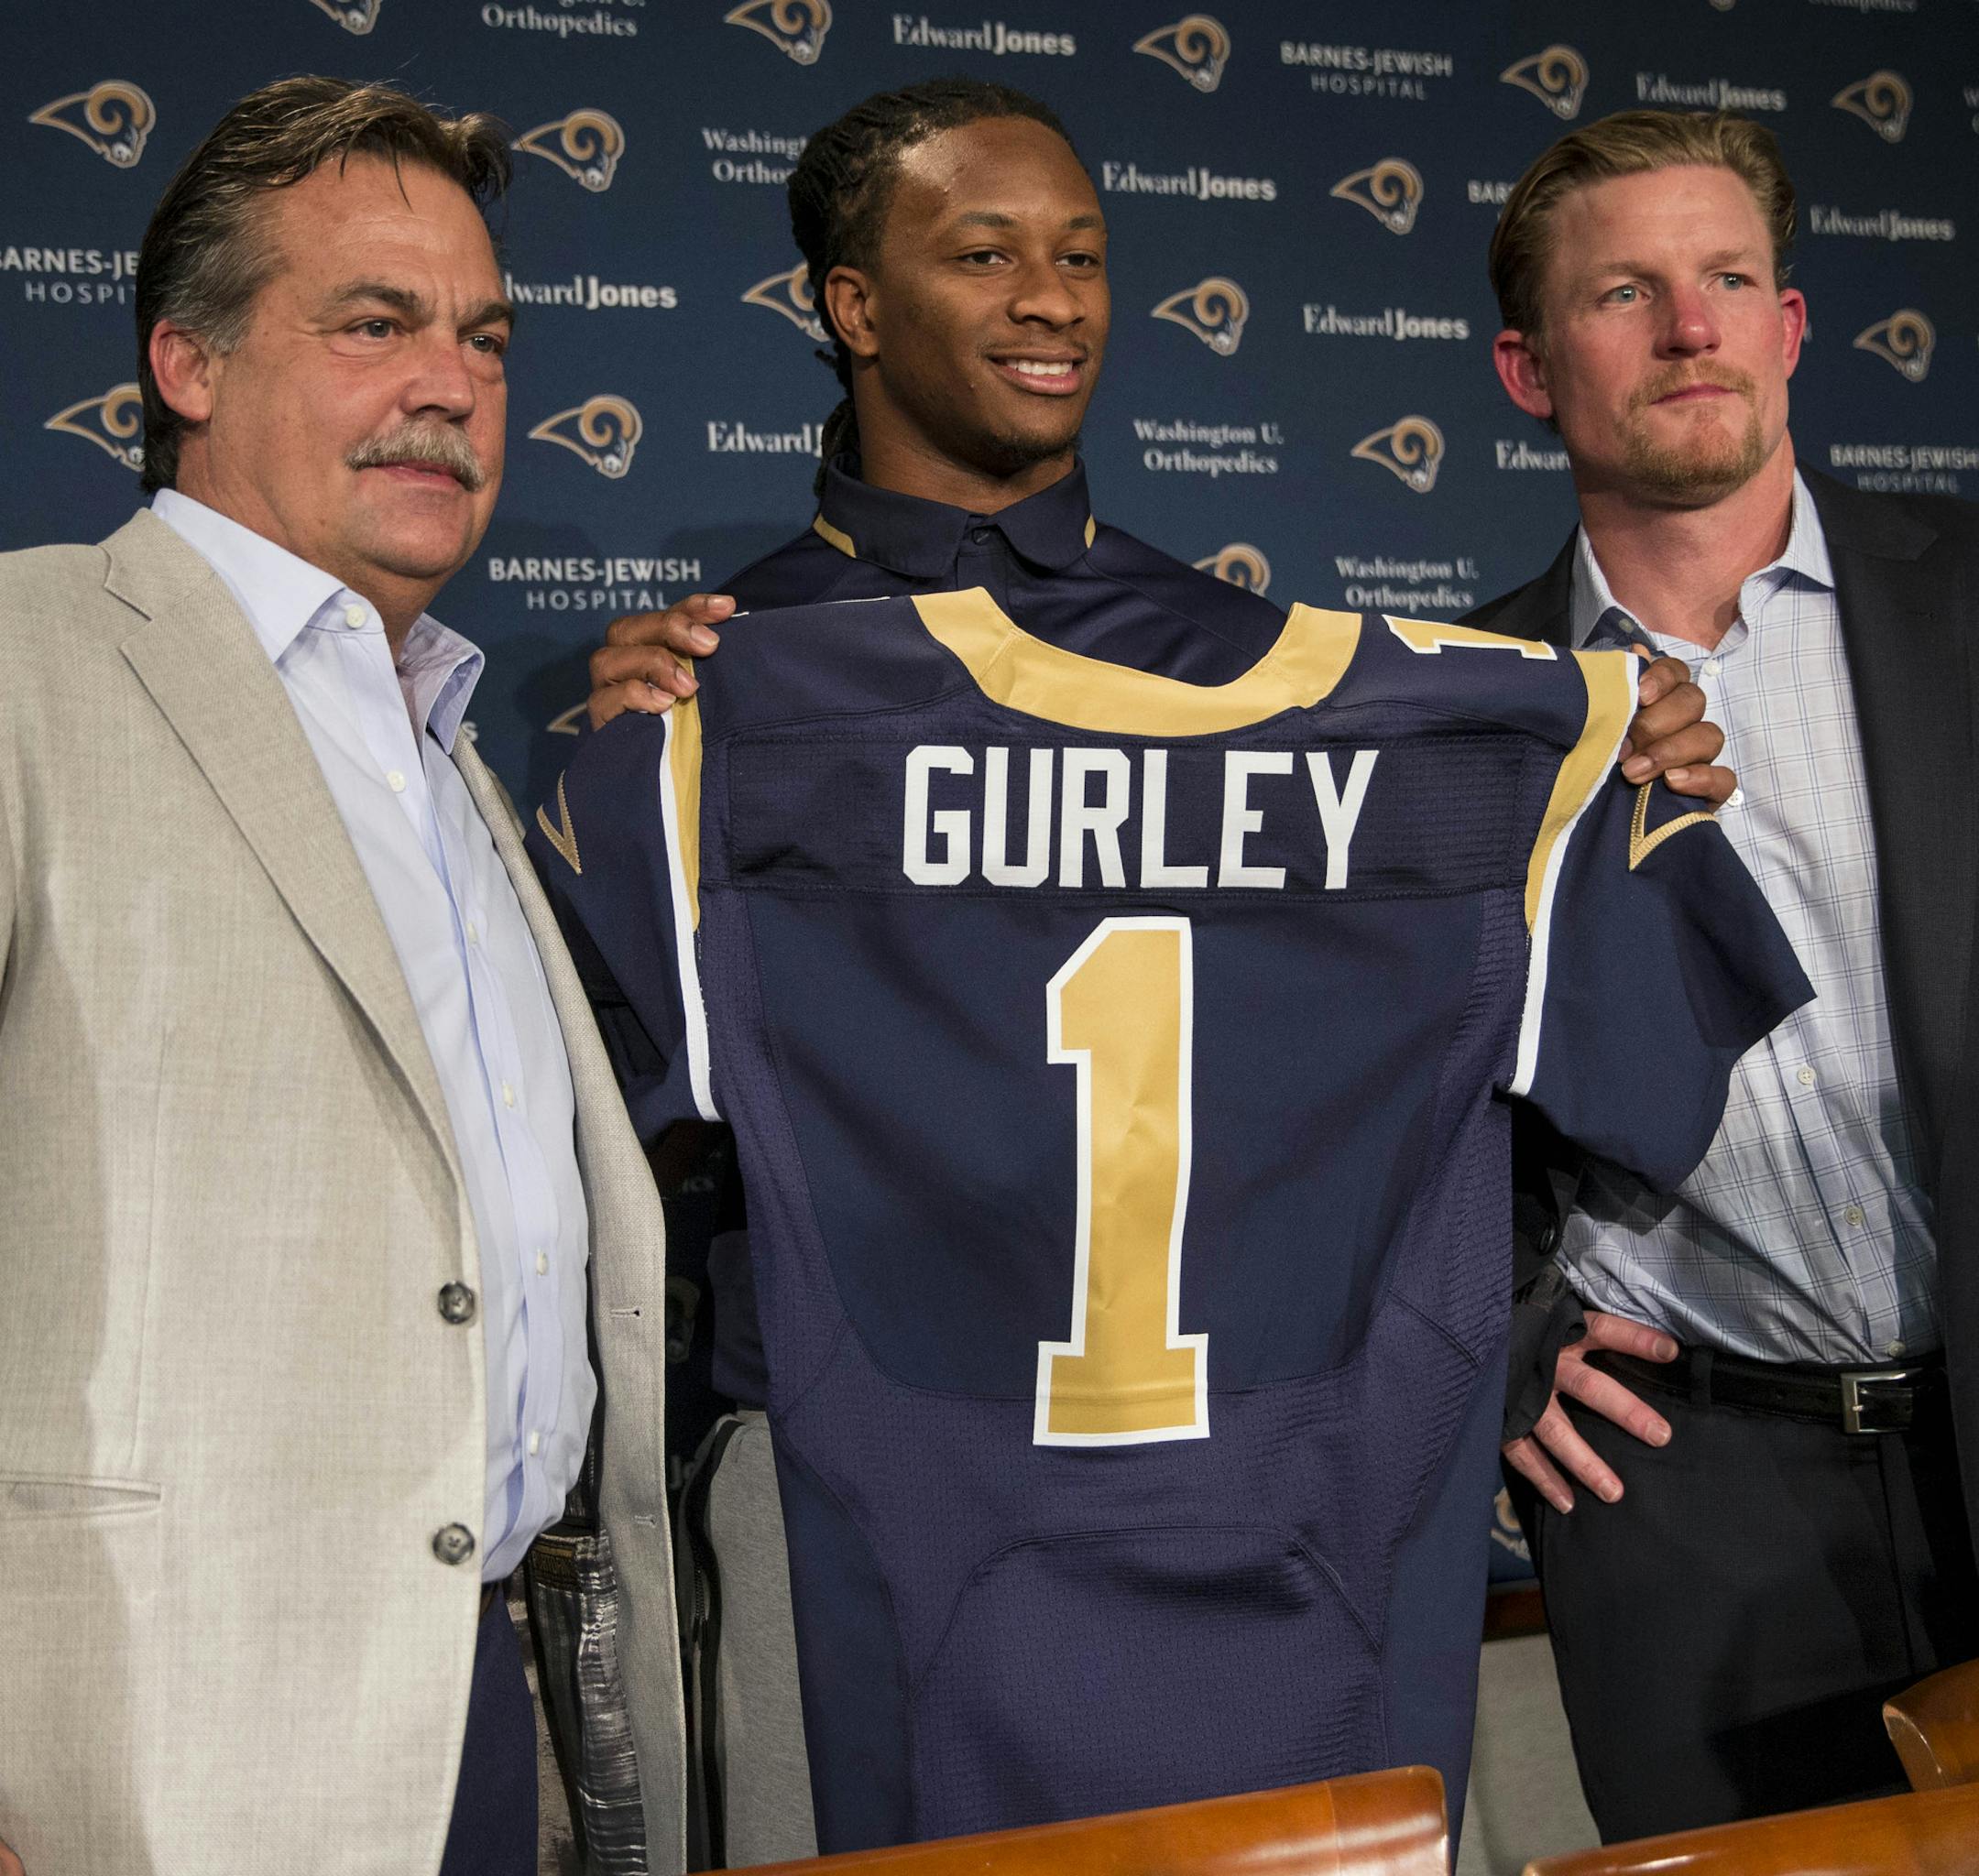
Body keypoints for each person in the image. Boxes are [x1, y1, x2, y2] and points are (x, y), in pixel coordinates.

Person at [542, 78, 1784, 1857]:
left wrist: (1604, 775)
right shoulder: (707, 696)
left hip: (1277, 1514)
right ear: (853, 304)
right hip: (870, 1524)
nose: (1055, 297)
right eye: (987, 253)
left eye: (1084, 254)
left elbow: (1551, 1089)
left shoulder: (1276, 658)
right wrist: (630, 773)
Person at [0, 78, 683, 1875]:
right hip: (133, 1763)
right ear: (188, 365)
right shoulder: (26, 660)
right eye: (372, 325)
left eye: (483, 337)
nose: (450, 382)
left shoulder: (449, 744)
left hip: (496, 1713)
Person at [1470, 108, 1979, 1841]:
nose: (1691, 329)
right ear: (1529, 373)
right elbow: (1362, 1106)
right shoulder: (1450, 708)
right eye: (1626, 293)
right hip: (1679, 1494)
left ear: (1790, 327)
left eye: (1728, 279)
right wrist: (1502, 1335)